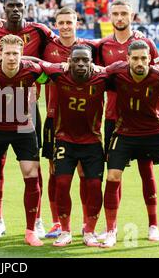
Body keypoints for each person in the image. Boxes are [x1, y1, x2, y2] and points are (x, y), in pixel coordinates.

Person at [101, 40, 159, 248]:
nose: (139, 62)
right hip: (124, 133)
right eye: (135, 58)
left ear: (149, 59)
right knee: (113, 176)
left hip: (156, 134)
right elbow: (97, 75)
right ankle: (110, 232)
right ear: (127, 59)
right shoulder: (116, 72)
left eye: (143, 58)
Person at [0, 0, 56, 238]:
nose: (15, 9)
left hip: (27, 106)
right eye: (11, 5)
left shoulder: (39, 31)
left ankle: (37, 220)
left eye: (19, 5)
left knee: (33, 167)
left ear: (25, 7)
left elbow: (58, 49)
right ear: (4, 8)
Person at [97, 0, 159, 241]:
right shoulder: (102, 46)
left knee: (147, 172)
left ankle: (153, 225)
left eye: (124, 13)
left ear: (132, 15)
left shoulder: (146, 44)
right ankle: (111, 228)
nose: (120, 17)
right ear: (110, 16)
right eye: (116, 13)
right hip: (114, 119)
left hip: (145, 121)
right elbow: (94, 78)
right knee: (114, 173)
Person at [0, 34, 46, 247]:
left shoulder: (32, 70)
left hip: (24, 128)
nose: (12, 57)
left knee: (31, 174)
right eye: (7, 53)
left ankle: (31, 231)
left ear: (22, 54)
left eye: (16, 53)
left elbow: (50, 74)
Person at [36, 45, 108, 247]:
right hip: (65, 141)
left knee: (94, 186)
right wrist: (0, 58)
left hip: (93, 142)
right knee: (62, 184)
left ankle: (90, 231)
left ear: (92, 62)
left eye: (85, 60)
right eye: (76, 60)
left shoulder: (103, 77)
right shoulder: (58, 74)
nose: (81, 64)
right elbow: (35, 63)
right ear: (69, 61)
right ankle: (65, 230)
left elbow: (122, 69)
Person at [41, 7, 99, 239]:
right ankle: (57, 222)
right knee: (55, 172)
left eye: (69, 22)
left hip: (85, 121)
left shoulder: (89, 48)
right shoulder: (50, 48)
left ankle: (87, 222)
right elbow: (40, 74)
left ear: (77, 23)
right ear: (56, 24)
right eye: (61, 22)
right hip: (55, 118)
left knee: (86, 173)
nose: (65, 26)